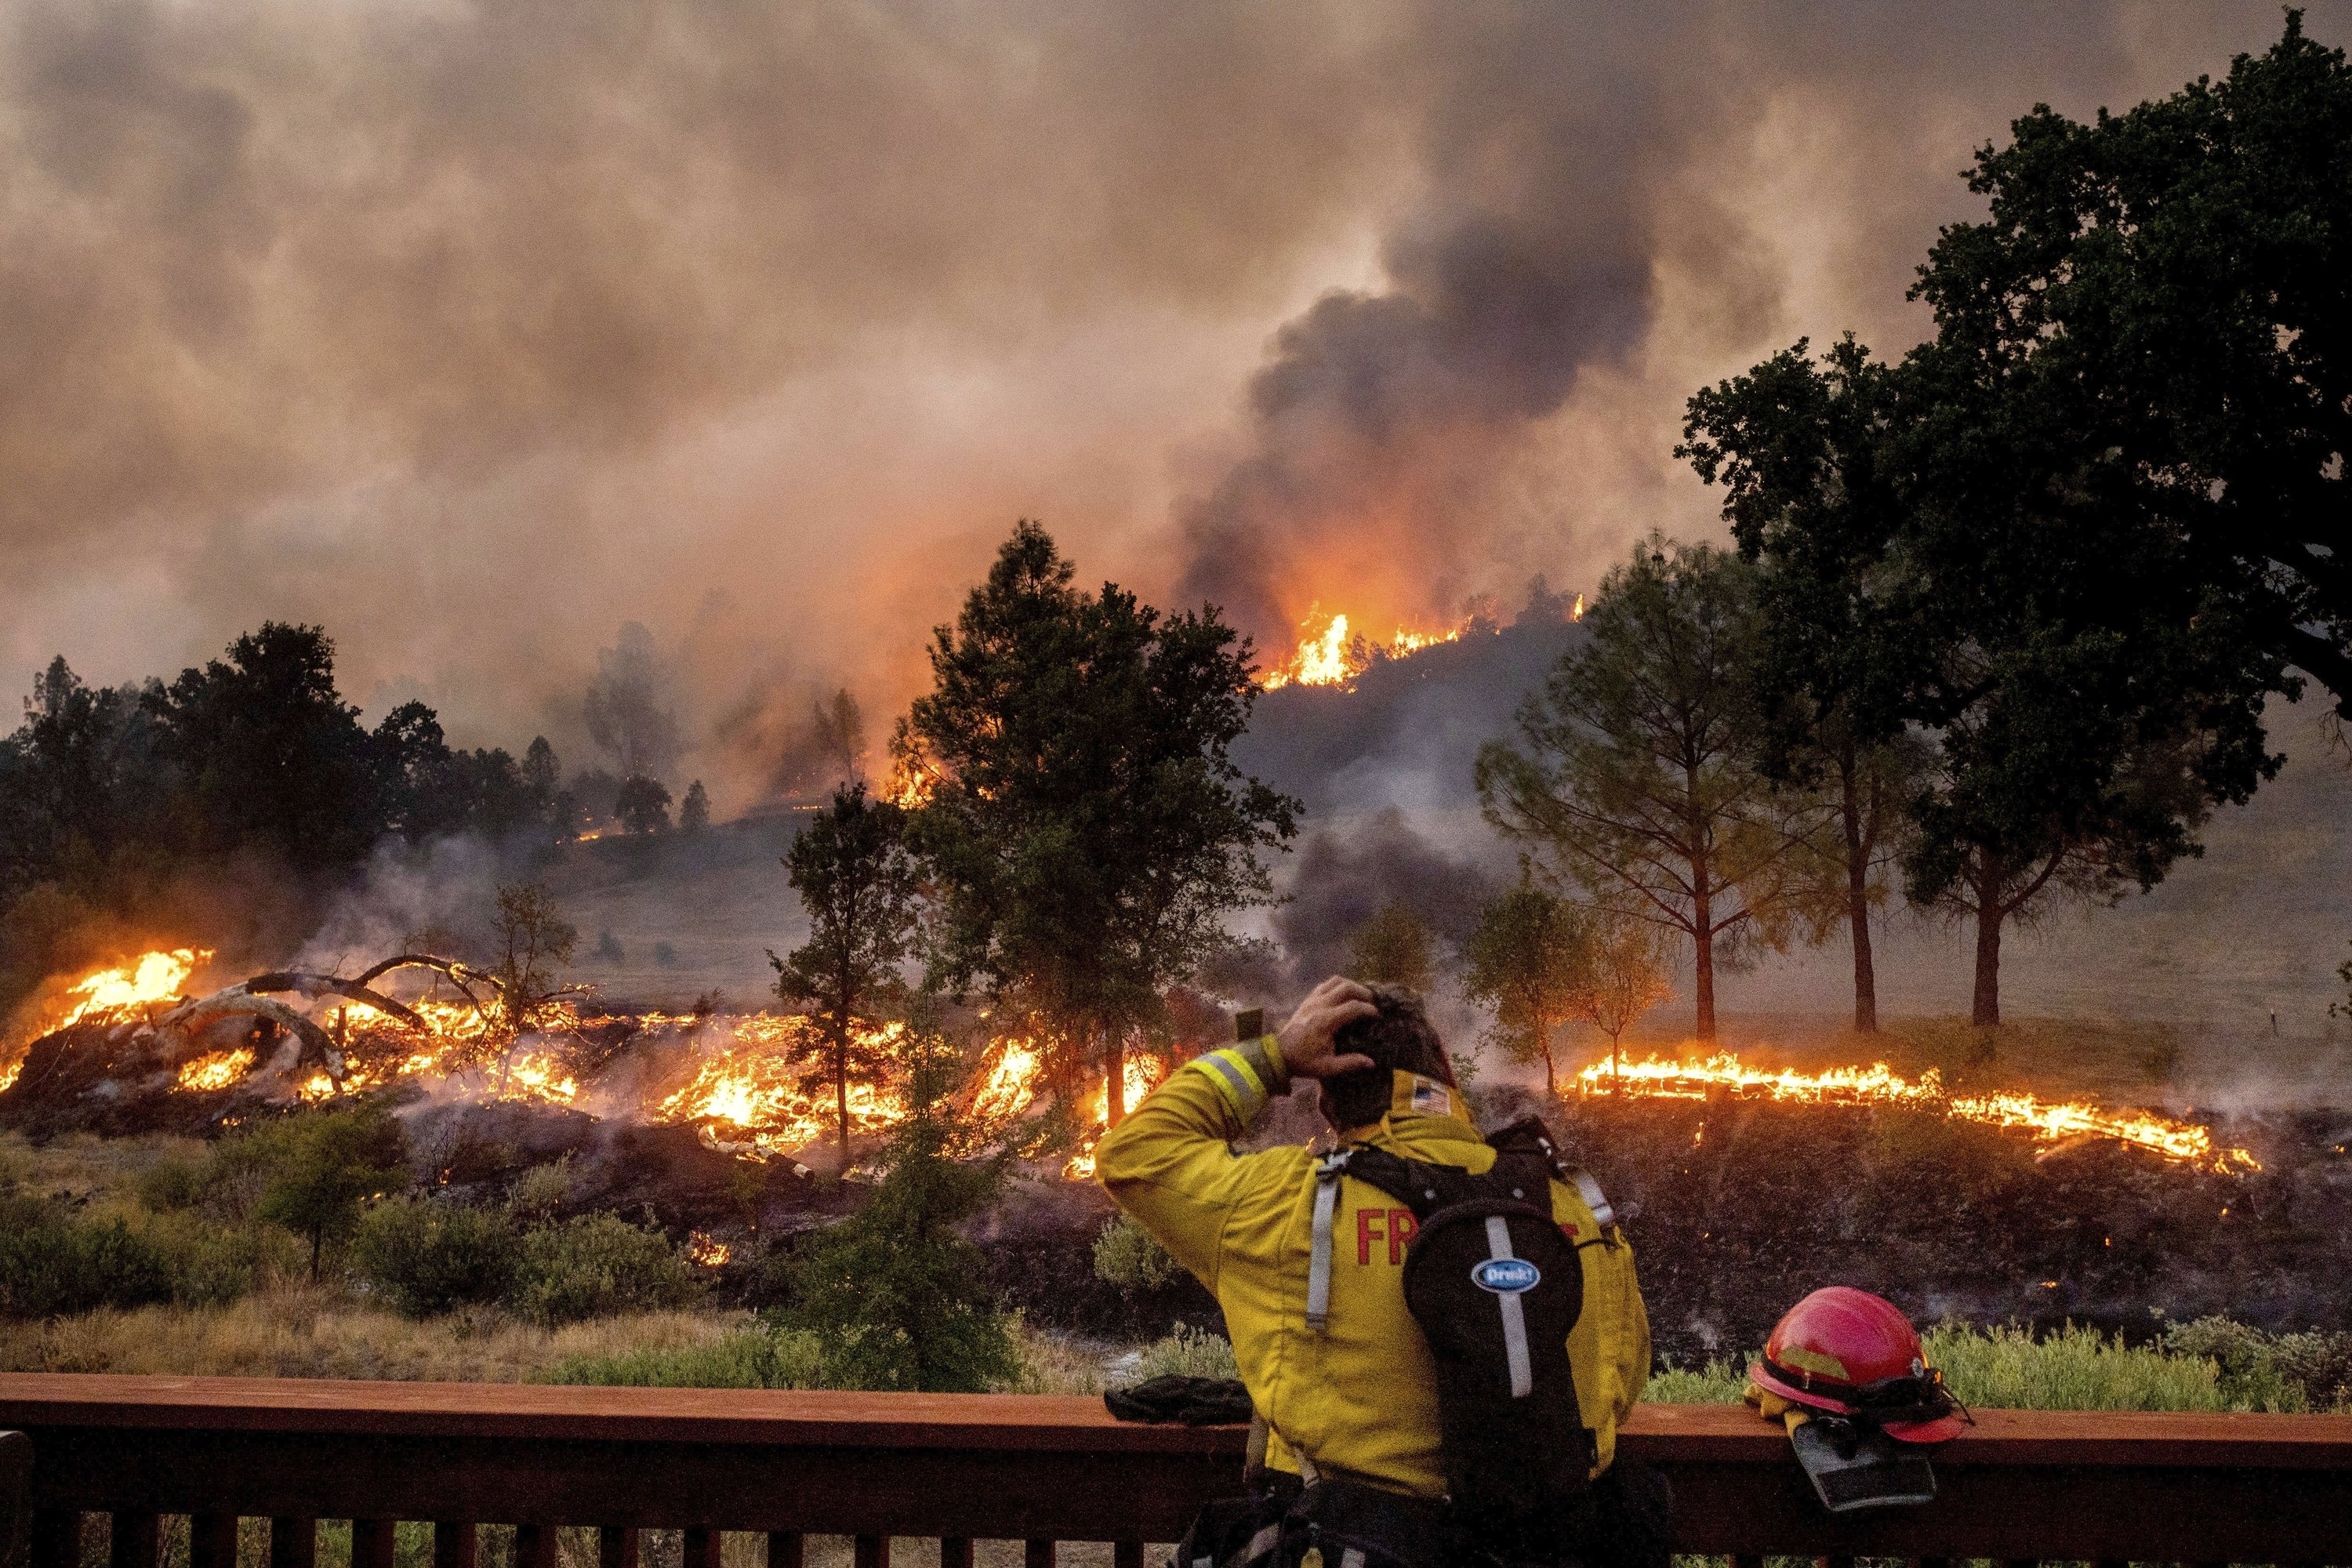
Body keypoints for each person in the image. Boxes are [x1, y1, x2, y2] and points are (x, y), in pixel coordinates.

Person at [1094, 977, 1661, 1568]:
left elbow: (1136, 1151)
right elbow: (1619, 1384)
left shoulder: (1287, 1205)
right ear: (1446, 1072)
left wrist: (1276, 1056)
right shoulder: (1573, 1205)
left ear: (1328, 1103)